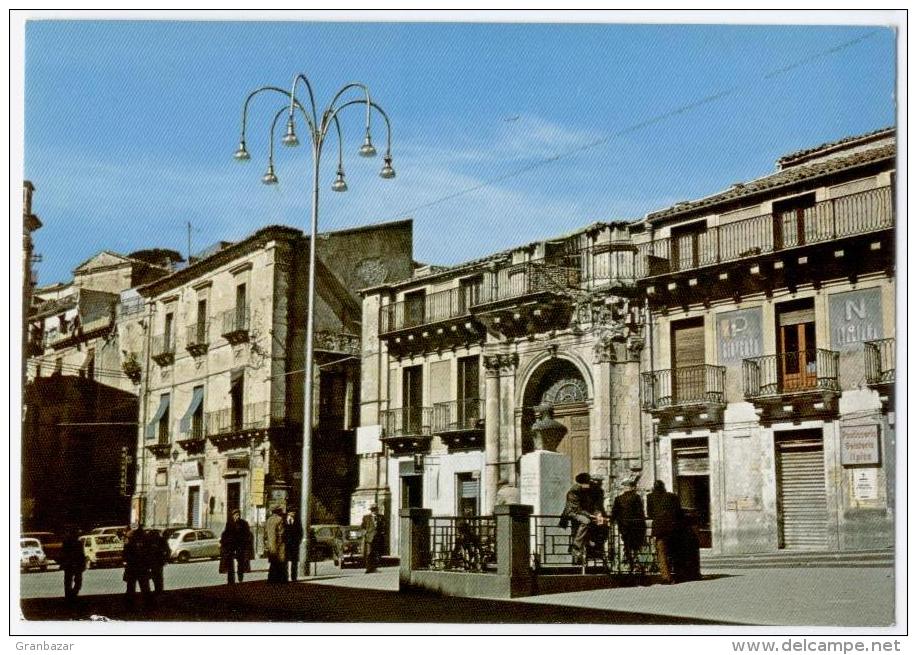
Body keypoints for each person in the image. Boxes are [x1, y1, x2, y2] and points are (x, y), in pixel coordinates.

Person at [561, 472, 604, 565]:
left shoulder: (587, 491)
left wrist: (598, 514)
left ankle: (591, 546)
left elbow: (593, 505)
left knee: (600, 524)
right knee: (586, 521)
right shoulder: (574, 491)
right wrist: (590, 515)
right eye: (587, 483)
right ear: (582, 483)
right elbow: (577, 509)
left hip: (582, 513)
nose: (589, 485)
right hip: (572, 513)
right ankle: (576, 545)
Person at [646, 480, 684, 584]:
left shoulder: (650, 497)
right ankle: (678, 573)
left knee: (662, 553)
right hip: (673, 528)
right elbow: (679, 512)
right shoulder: (672, 496)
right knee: (675, 552)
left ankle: (666, 577)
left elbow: (650, 513)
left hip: (659, 529)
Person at [610, 478, 647, 574]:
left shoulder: (618, 499)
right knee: (635, 546)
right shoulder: (636, 497)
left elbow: (614, 513)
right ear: (632, 487)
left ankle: (630, 564)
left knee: (627, 545)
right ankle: (636, 564)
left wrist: (611, 521)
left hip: (624, 527)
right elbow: (640, 512)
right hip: (636, 526)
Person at [220, 509, 253, 584]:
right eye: (235, 515)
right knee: (230, 563)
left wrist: (245, 543)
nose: (237, 516)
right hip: (231, 546)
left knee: (240, 562)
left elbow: (247, 534)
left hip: (240, 546)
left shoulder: (244, 523)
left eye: (238, 515)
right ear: (233, 516)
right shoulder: (229, 524)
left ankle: (240, 577)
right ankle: (231, 580)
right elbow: (226, 533)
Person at [122, 524, 151, 607]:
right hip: (142, 566)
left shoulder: (129, 540)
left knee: (131, 587)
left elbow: (125, 554)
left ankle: (129, 604)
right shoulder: (145, 539)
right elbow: (148, 553)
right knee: (145, 586)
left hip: (132, 566)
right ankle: (148, 604)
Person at [59, 526, 86, 604]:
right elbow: (81, 555)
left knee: (69, 581)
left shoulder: (69, 543)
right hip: (74, 564)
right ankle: (72, 594)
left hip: (70, 564)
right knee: (76, 581)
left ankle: (70, 595)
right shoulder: (78, 543)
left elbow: (63, 554)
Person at [263, 505, 287, 583]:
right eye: (280, 510)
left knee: (273, 563)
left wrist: (267, 545)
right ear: (278, 511)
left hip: (271, 545)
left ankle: (271, 579)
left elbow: (265, 534)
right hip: (279, 545)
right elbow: (281, 533)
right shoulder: (280, 520)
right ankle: (281, 579)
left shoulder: (268, 520)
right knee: (281, 563)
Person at [145, 529, 170, 597]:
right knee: (158, 577)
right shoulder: (161, 540)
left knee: (155, 577)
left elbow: (146, 552)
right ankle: (159, 590)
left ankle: (158, 590)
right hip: (158, 562)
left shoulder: (150, 541)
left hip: (154, 562)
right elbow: (168, 551)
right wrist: (166, 559)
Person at [361, 504, 385, 573]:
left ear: (377, 510)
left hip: (378, 538)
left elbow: (383, 526)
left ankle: (374, 568)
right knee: (369, 553)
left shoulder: (381, 517)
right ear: (371, 510)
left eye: (375, 509)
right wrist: (365, 533)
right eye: (372, 510)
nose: (374, 511)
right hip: (369, 538)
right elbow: (362, 527)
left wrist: (383, 533)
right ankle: (368, 568)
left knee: (376, 553)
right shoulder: (366, 517)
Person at [284, 507, 304, 582]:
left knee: (294, 561)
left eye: (294, 512)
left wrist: (298, 541)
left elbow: (301, 532)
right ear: (288, 513)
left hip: (294, 544)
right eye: (292, 512)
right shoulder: (284, 520)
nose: (294, 514)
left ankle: (294, 577)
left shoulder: (297, 521)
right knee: (285, 561)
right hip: (285, 544)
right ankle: (285, 576)